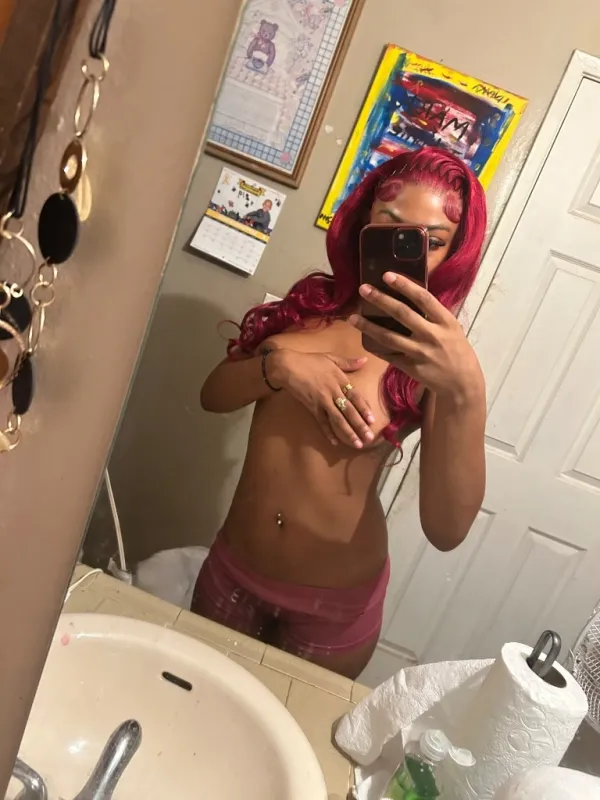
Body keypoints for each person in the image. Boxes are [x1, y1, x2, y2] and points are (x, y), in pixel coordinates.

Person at [192, 146, 488, 679]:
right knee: (190, 706)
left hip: (331, 606)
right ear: (363, 219)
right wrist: (279, 367)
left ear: (454, 254)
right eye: (389, 223)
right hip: (234, 566)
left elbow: (447, 531)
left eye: (431, 240)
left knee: (289, 729)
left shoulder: (430, 360)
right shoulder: (308, 307)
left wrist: (466, 389)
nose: (404, 247)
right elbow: (212, 396)